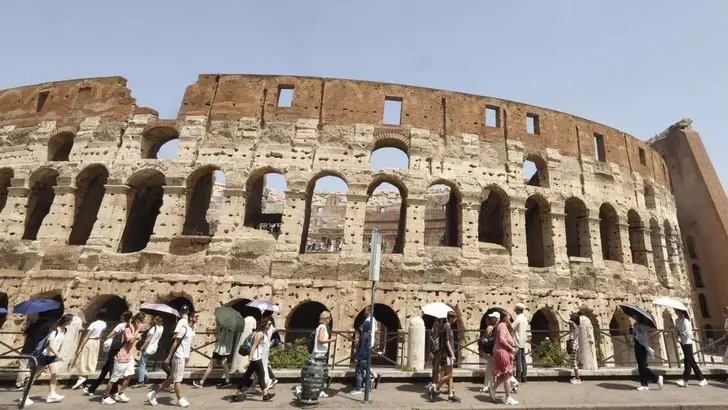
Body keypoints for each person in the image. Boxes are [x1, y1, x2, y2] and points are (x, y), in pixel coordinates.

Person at [22, 313, 74, 407]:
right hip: (45, 355)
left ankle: (52, 394)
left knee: (55, 374)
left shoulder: (64, 330)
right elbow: (51, 345)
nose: (71, 322)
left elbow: (60, 343)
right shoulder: (55, 330)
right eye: (71, 320)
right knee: (35, 376)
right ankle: (24, 396)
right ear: (66, 321)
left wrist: (58, 353)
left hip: (53, 357)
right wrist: (58, 354)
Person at [148, 312, 199, 407]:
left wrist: (188, 356)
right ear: (191, 318)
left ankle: (153, 393)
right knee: (178, 379)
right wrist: (168, 357)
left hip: (183, 356)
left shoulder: (193, 329)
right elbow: (175, 343)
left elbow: (188, 344)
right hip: (178, 356)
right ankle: (180, 399)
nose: (198, 318)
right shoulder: (184, 329)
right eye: (196, 316)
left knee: (171, 378)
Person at [101, 312, 145, 405]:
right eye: (141, 322)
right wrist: (138, 330)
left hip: (129, 355)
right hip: (122, 356)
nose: (141, 324)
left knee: (129, 374)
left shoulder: (133, 329)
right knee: (114, 378)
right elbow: (130, 341)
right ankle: (105, 396)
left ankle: (121, 393)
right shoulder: (128, 329)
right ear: (137, 321)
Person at [83, 311, 130, 396]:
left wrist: (108, 339)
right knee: (105, 370)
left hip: (113, 350)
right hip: (120, 350)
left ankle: (113, 391)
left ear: (123, 317)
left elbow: (110, 335)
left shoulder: (120, 325)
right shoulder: (129, 326)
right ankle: (92, 389)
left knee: (111, 371)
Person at [232, 319, 275, 402]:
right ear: (265, 325)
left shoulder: (264, 333)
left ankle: (236, 394)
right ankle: (265, 395)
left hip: (256, 358)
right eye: (269, 324)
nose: (270, 325)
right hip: (256, 358)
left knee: (247, 376)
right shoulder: (260, 334)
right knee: (260, 376)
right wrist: (250, 358)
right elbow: (254, 346)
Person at [429, 311, 461, 403]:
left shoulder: (447, 326)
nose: (455, 319)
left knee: (450, 375)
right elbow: (447, 342)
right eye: (454, 317)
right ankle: (435, 389)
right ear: (450, 318)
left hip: (447, 354)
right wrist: (452, 354)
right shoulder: (447, 326)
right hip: (447, 355)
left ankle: (451, 395)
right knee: (450, 375)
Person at [15, 312, 52, 392]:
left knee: (23, 365)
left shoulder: (33, 325)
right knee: (31, 366)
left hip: (28, 347)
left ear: (38, 315)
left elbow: (25, 334)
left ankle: (20, 384)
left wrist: (28, 324)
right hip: (39, 349)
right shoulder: (48, 326)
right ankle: (27, 381)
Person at [72, 309, 107, 390]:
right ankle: (84, 380)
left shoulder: (93, 324)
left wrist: (80, 347)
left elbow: (87, 336)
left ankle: (81, 378)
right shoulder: (104, 324)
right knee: (90, 359)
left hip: (90, 341)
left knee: (81, 359)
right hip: (97, 342)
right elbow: (101, 334)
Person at [489, 312, 519, 405]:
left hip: (503, 352)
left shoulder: (503, 326)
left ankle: (493, 389)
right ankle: (508, 398)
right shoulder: (502, 325)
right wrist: (511, 348)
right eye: (508, 318)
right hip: (502, 352)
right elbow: (502, 339)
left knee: (505, 374)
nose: (510, 320)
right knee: (507, 374)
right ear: (504, 318)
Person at [193, 320, 233, 388]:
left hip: (220, 350)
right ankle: (227, 381)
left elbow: (221, 338)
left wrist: (218, 334)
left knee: (210, 365)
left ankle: (201, 382)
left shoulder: (225, 328)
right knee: (224, 364)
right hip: (226, 350)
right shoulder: (231, 329)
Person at [675, 309, 707, 387]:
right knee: (691, 361)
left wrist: (682, 332)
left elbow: (689, 333)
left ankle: (685, 379)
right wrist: (676, 331)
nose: (677, 313)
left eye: (678, 311)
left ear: (682, 312)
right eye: (676, 312)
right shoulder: (677, 320)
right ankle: (702, 379)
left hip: (688, 342)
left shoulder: (686, 321)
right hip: (682, 341)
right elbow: (677, 329)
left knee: (687, 361)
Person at [632, 317, 663, 391]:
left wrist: (637, 330)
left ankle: (657, 378)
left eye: (636, 318)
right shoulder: (637, 325)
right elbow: (635, 337)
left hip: (642, 347)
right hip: (637, 346)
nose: (635, 319)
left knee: (643, 366)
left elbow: (642, 337)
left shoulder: (643, 326)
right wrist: (634, 332)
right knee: (640, 366)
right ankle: (644, 385)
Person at [312, 310, 336, 398]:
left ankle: (319, 390)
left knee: (320, 373)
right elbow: (321, 340)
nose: (330, 319)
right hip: (319, 353)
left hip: (319, 353)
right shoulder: (322, 327)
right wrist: (331, 340)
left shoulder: (321, 327)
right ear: (326, 318)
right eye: (329, 318)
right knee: (318, 373)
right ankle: (317, 391)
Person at [135, 316, 164, 388]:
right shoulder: (161, 328)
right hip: (154, 348)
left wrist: (142, 348)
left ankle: (141, 381)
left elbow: (148, 340)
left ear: (156, 321)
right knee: (144, 363)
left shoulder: (154, 329)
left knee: (142, 364)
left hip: (148, 348)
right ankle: (145, 375)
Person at [351, 318, 373, 395]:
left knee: (359, 373)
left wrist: (357, 357)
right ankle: (369, 383)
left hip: (362, 357)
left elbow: (362, 348)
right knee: (365, 372)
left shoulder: (363, 336)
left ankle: (358, 389)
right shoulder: (369, 335)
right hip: (367, 357)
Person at [361, 305, 381, 388]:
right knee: (365, 361)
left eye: (365, 310)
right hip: (370, 342)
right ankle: (371, 377)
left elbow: (364, 331)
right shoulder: (374, 320)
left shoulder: (368, 320)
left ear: (368, 311)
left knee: (362, 362)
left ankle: (373, 376)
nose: (364, 312)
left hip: (366, 342)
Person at [480, 311, 499, 392]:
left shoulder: (490, 328)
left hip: (492, 351)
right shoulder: (496, 327)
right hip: (493, 351)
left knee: (500, 370)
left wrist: (485, 340)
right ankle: (486, 386)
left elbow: (488, 339)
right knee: (489, 369)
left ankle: (513, 383)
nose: (490, 319)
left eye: (492, 318)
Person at [512, 303, 528, 383]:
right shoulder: (524, 318)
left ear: (518, 310)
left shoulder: (518, 318)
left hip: (518, 341)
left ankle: (518, 377)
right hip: (523, 340)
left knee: (518, 359)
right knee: (523, 359)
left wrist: (508, 323)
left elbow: (512, 327)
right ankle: (524, 376)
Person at [425, 318, 442, 390]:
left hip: (438, 353)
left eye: (435, 327)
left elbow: (441, 345)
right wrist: (429, 353)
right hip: (433, 353)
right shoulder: (431, 335)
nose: (434, 328)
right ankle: (433, 382)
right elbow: (429, 344)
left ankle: (435, 383)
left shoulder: (440, 335)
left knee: (436, 368)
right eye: (433, 327)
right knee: (434, 368)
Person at [567, 313, 582, 384]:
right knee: (574, 361)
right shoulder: (577, 327)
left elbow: (565, 321)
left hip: (573, 346)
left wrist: (559, 313)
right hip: (575, 345)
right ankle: (576, 377)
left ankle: (578, 379)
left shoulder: (573, 324)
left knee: (574, 362)